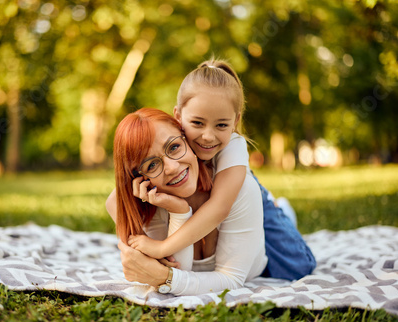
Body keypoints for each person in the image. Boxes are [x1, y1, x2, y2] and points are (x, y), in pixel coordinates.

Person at [126, 59, 316, 281]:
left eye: (222, 125)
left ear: (235, 122)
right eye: (197, 123)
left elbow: (218, 209)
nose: (208, 136)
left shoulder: (234, 146)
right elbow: (114, 200)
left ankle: (282, 210)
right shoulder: (171, 141)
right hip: (223, 206)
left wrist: (161, 248)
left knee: (296, 267)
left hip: (249, 201)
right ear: (178, 116)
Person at [107, 107, 267, 295]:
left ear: (188, 141)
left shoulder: (240, 189)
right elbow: (181, 271)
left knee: (297, 263)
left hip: (262, 240)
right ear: (139, 177)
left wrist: (163, 278)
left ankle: (279, 206)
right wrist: (178, 211)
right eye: (151, 165)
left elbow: (231, 280)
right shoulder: (149, 201)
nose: (172, 168)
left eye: (174, 147)